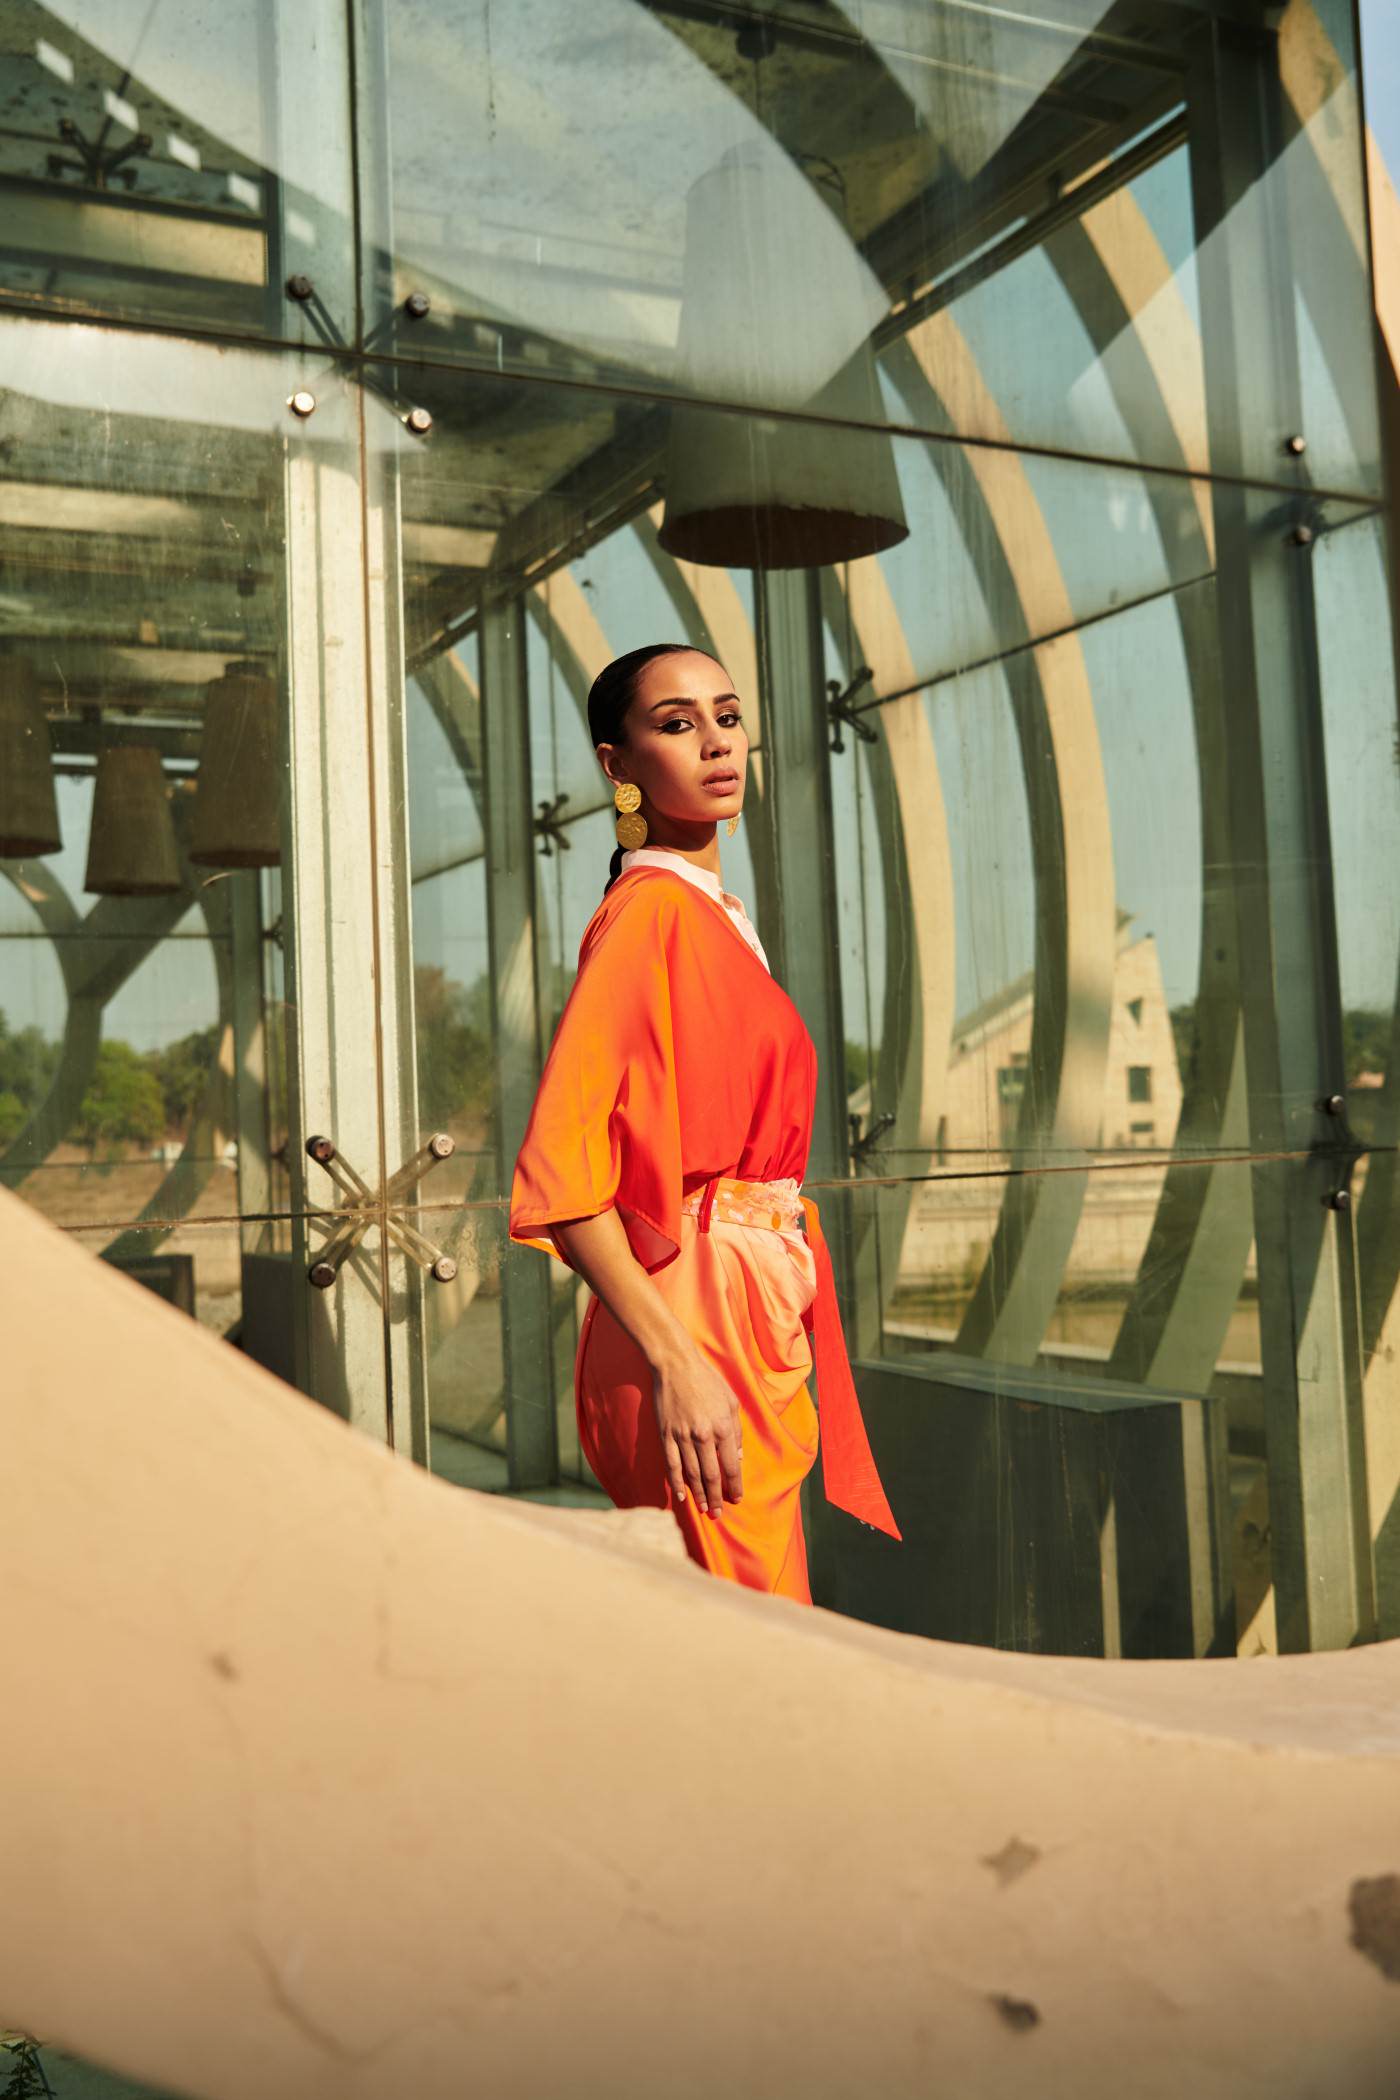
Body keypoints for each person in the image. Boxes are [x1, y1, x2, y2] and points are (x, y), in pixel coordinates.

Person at [508, 642, 900, 1604]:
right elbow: (563, 1181)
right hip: (694, 1326)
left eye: (727, 716)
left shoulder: (710, 913)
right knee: (753, 1641)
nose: (717, 743)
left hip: (738, 1311)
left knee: (749, 1630)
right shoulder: (651, 916)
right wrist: (678, 1362)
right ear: (619, 764)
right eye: (677, 725)